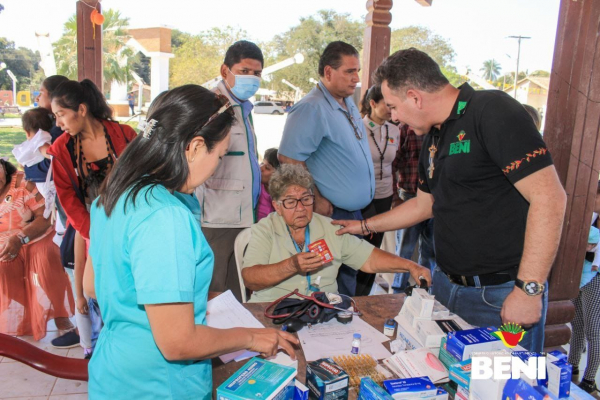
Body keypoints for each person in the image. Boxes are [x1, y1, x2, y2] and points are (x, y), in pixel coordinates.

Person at [333, 48, 566, 352]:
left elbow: (549, 198)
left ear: (415, 97)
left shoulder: (492, 111)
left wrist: (529, 290)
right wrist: (364, 226)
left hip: (499, 294)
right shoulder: (433, 137)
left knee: (506, 384)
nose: (395, 117)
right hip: (445, 287)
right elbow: (423, 205)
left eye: (394, 106)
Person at [84, 84, 298, 399]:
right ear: (195, 147)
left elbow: (93, 285)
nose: (216, 169)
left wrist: (189, 293)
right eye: (220, 156)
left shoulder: (114, 195)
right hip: (157, 385)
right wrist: (251, 337)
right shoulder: (165, 217)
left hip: (115, 374)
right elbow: (177, 343)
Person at [242, 164, 431, 303]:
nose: (300, 208)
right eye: (290, 202)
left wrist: (410, 266)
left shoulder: (330, 227)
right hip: (273, 309)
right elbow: (251, 279)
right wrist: (291, 265)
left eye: (306, 199)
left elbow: (369, 259)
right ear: (276, 206)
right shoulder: (265, 230)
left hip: (322, 310)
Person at [47, 79, 137, 355]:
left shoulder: (124, 135)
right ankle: (105, 361)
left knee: (134, 298)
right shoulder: (62, 149)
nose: (58, 123)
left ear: (82, 109)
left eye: (61, 114)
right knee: (99, 296)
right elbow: (69, 201)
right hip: (95, 233)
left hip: (133, 229)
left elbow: (144, 180)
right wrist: (95, 234)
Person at [279, 41, 375, 297]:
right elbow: (288, 158)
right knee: (332, 280)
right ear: (329, 72)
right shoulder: (311, 107)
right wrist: (316, 199)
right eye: (349, 71)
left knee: (350, 273)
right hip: (330, 213)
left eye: (357, 71)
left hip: (353, 211)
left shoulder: (347, 101)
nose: (356, 78)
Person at [195, 40, 264, 301]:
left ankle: (236, 339)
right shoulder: (212, 106)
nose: (252, 78)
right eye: (244, 71)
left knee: (238, 288)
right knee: (216, 290)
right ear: (225, 71)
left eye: (256, 73)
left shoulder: (244, 108)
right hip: (217, 218)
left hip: (245, 215)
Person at [0, 159, 74, 340]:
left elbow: (46, 217)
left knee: (46, 258)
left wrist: (20, 237)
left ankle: (60, 315)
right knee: (2, 267)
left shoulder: (23, 182)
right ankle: (32, 308)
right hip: (4, 240)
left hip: (37, 234)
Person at [354, 85, 401, 296]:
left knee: (375, 247)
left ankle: (364, 294)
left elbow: (395, 164)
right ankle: (351, 292)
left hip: (384, 197)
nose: (391, 109)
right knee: (359, 248)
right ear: (372, 103)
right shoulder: (358, 129)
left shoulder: (394, 130)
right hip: (363, 198)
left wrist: (395, 195)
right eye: (387, 104)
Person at [391, 124, 436, 292]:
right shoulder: (405, 129)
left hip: (434, 200)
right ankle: (397, 291)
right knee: (404, 250)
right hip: (410, 198)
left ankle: (424, 292)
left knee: (431, 252)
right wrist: (395, 198)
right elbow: (392, 164)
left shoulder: (441, 130)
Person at [568, 225, 600, 394]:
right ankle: (572, 367)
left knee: (593, 332)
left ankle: (589, 380)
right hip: (577, 277)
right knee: (577, 327)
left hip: (595, 280)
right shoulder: (589, 218)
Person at [257, 147, 280, 221]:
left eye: (267, 168)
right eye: (262, 163)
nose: (260, 168)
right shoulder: (256, 188)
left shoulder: (282, 194)